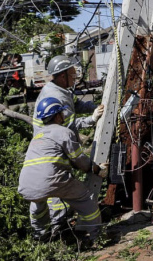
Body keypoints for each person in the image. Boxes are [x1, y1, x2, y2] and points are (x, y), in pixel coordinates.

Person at [19, 97, 107, 243]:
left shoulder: (37, 137)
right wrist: (97, 169)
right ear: (58, 115)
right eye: (62, 113)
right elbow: (80, 162)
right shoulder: (63, 132)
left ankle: (40, 239)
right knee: (86, 198)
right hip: (53, 181)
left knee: (37, 206)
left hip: (27, 186)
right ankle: (96, 237)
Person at [32, 55, 104, 232]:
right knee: (57, 184)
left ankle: (47, 229)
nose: (74, 77)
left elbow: (76, 104)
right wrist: (92, 119)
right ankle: (58, 227)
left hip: (50, 143)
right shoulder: (56, 95)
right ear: (62, 75)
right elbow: (68, 126)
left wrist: (94, 106)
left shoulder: (61, 90)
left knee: (55, 186)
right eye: (72, 74)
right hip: (53, 146)